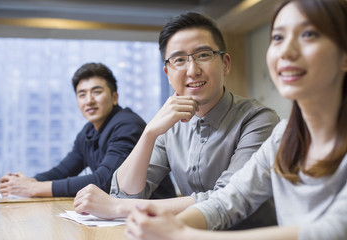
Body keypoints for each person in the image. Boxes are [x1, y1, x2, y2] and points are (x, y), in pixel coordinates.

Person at [124, 0, 347, 239]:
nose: (286, 51)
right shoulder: (285, 135)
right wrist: (168, 227)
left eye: (308, 34)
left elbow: (330, 232)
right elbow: (229, 200)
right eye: (278, 38)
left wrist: (180, 234)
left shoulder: (259, 119)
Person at [73, 12, 279, 229]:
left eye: (203, 55)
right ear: (168, 74)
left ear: (225, 64)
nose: (192, 70)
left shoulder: (259, 119)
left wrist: (117, 208)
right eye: (179, 60)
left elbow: (226, 198)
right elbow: (125, 193)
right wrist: (150, 132)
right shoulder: (169, 125)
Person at [0, 62, 176, 198]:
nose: (89, 100)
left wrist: (32, 188)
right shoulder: (88, 131)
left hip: (152, 215)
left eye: (96, 92)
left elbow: (104, 181)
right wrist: (28, 181)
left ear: (115, 97)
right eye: (82, 94)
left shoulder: (128, 125)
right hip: (120, 215)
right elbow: (63, 171)